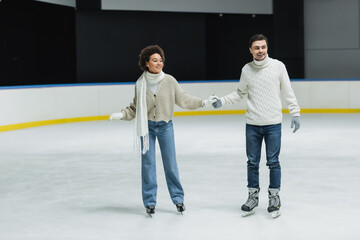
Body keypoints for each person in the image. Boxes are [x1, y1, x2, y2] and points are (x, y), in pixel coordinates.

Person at [109, 45, 216, 216]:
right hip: (147, 128)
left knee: (170, 164)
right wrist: (121, 115)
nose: (159, 63)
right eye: (154, 60)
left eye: (161, 60)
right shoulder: (140, 84)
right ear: (146, 63)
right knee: (148, 165)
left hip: (165, 127)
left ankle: (178, 199)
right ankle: (150, 202)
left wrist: (203, 102)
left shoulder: (169, 81)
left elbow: (183, 99)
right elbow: (135, 108)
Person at [212, 34, 300, 218]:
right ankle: (253, 196)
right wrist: (222, 101)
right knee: (252, 163)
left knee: (273, 162)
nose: (261, 51)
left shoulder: (278, 67)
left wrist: (295, 112)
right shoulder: (247, 70)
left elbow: (288, 91)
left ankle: (274, 197)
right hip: (252, 124)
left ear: (267, 48)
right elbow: (239, 93)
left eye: (263, 47)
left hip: (273, 124)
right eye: (257, 48)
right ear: (250, 50)